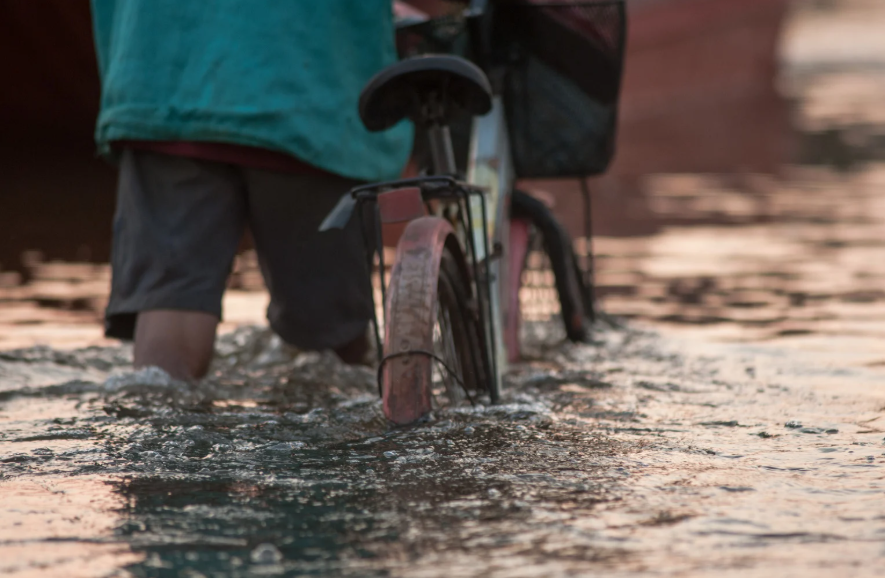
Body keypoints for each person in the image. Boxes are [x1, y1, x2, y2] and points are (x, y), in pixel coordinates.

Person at [91, 1, 413, 380]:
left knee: (170, 308)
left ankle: (157, 423)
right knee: (329, 344)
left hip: (161, 81)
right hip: (308, 96)